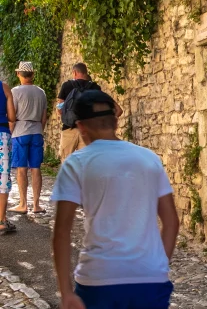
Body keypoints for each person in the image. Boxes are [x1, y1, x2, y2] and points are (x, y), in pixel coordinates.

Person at [51, 90, 182, 309]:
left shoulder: (76, 163)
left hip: (98, 281)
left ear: (79, 126)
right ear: (116, 118)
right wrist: (158, 263)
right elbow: (170, 220)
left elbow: (61, 233)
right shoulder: (148, 159)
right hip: (149, 281)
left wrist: (66, 293)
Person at [57, 62, 122, 161]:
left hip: (68, 128)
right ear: (86, 73)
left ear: (74, 72)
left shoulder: (67, 85)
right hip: (87, 130)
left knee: (66, 162)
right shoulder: (95, 87)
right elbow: (118, 110)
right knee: (86, 162)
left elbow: (60, 110)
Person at [10, 61, 48, 214]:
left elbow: (12, 117)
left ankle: (23, 204)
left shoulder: (15, 92)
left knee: (21, 169)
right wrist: (39, 129)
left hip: (20, 131)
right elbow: (44, 118)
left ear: (18, 74)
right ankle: (37, 205)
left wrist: (11, 132)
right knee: (36, 168)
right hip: (37, 131)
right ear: (33, 74)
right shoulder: (41, 92)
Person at [0, 79, 16, 234]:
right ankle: (1, 221)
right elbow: (12, 117)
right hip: (2, 135)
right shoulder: (4, 88)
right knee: (3, 177)